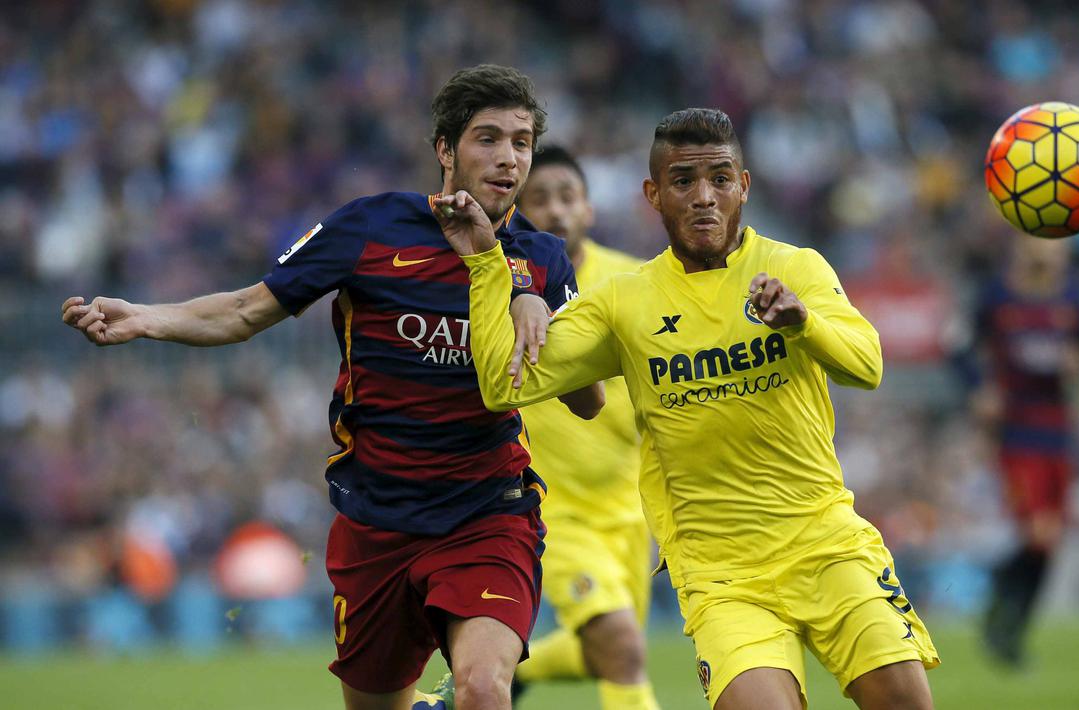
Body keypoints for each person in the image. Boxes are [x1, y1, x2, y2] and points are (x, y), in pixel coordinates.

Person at [61, 64, 603, 710]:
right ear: (445, 150)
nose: (508, 157)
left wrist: (540, 317)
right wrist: (147, 318)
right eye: (487, 138)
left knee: (484, 690)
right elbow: (246, 311)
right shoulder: (370, 228)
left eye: (521, 142)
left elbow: (588, 401)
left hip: (488, 514)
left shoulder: (542, 259)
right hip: (377, 521)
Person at [431, 108, 939, 710]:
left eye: (719, 179)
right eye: (683, 181)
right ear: (654, 194)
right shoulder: (625, 302)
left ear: (743, 186)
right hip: (720, 576)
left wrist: (803, 323)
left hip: (826, 543)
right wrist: (493, 270)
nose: (703, 197)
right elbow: (502, 385)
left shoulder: (794, 267)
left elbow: (867, 365)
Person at [511, 146, 660, 709]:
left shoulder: (632, 281)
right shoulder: (507, 291)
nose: (556, 211)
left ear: (589, 209)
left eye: (567, 197)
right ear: (518, 214)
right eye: (539, 199)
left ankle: (506, 675)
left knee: (610, 652)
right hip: (554, 511)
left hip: (629, 507)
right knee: (620, 646)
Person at [957, 236, 1079, 667]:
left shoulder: (1075, 296)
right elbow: (959, 348)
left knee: (1050, 541)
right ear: (1020, 243)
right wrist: (979, 388)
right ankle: (1002, 598)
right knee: (1038, 533)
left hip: (1059, 428)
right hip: (1017, 431)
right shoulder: (996, 295)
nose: (1048, 251)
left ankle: (1010, 628)